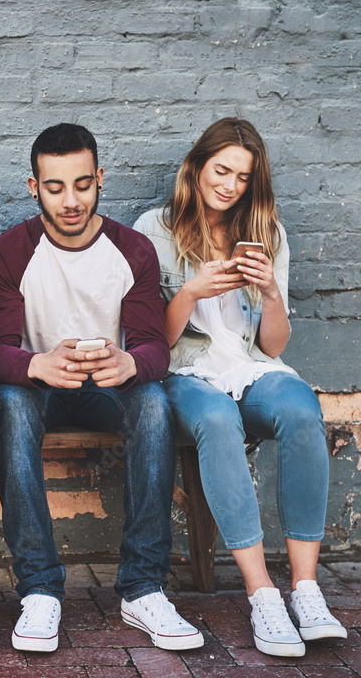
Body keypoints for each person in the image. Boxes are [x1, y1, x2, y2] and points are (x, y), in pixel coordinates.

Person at [0, 123, 204, 654]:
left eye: (82, 185)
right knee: (9, 406)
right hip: (40, 385)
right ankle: (39, 589)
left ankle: (143, 587)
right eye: (55, 187)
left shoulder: (132, 250)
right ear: (33, 186)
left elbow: (155, 347)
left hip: (107, 385)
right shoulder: (10, 252)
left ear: (100, 178)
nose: (70, 200)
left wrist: (130, 362)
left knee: (154, 404)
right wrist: (37, 364)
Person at [134, 117, 345, 657]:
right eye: (220, 170)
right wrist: (190, 291)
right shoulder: (153, 230)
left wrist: (271, 293)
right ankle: (262, 595)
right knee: (217, 418)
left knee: (301, 408)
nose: (229, 185)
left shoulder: (267, 235)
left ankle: (306, 589)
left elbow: (272, 347)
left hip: (248, 365)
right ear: (197, 167)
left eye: (242, 177)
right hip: (186, 370)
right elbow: (150, 338)